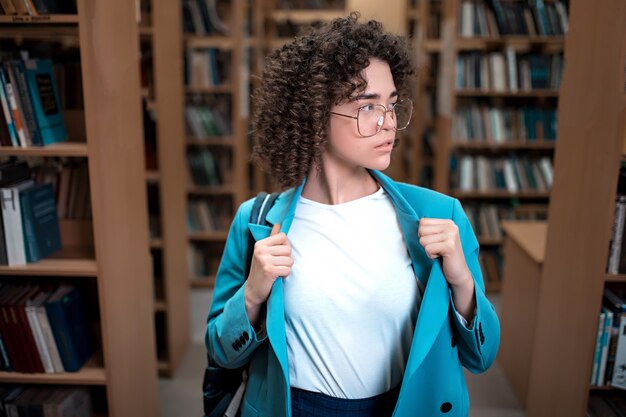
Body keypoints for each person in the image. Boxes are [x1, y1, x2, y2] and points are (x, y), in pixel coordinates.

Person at [206, 12, 500, 417]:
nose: (389, 123)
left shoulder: (439, 217)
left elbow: (481, 358)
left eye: (393, 104)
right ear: (315, 116)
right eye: (368, 107)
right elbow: (222, 352)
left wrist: (462, 283)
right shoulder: (256, 221)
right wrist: (253, 294)